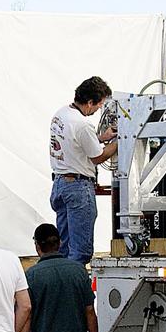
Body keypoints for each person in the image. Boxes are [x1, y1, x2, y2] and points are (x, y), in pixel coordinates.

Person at [49, 76, 117, 264]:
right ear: (89, 102)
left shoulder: (61, 114)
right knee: (81, 252)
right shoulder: (83, 125)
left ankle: (62, 285)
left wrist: (101, 138)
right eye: (98, 105)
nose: (97, 110)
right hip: (78, 188)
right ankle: (74, 289)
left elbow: (75, 142)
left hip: (60, 184)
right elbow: (98, 157)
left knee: (64, 248)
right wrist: (121, 140)